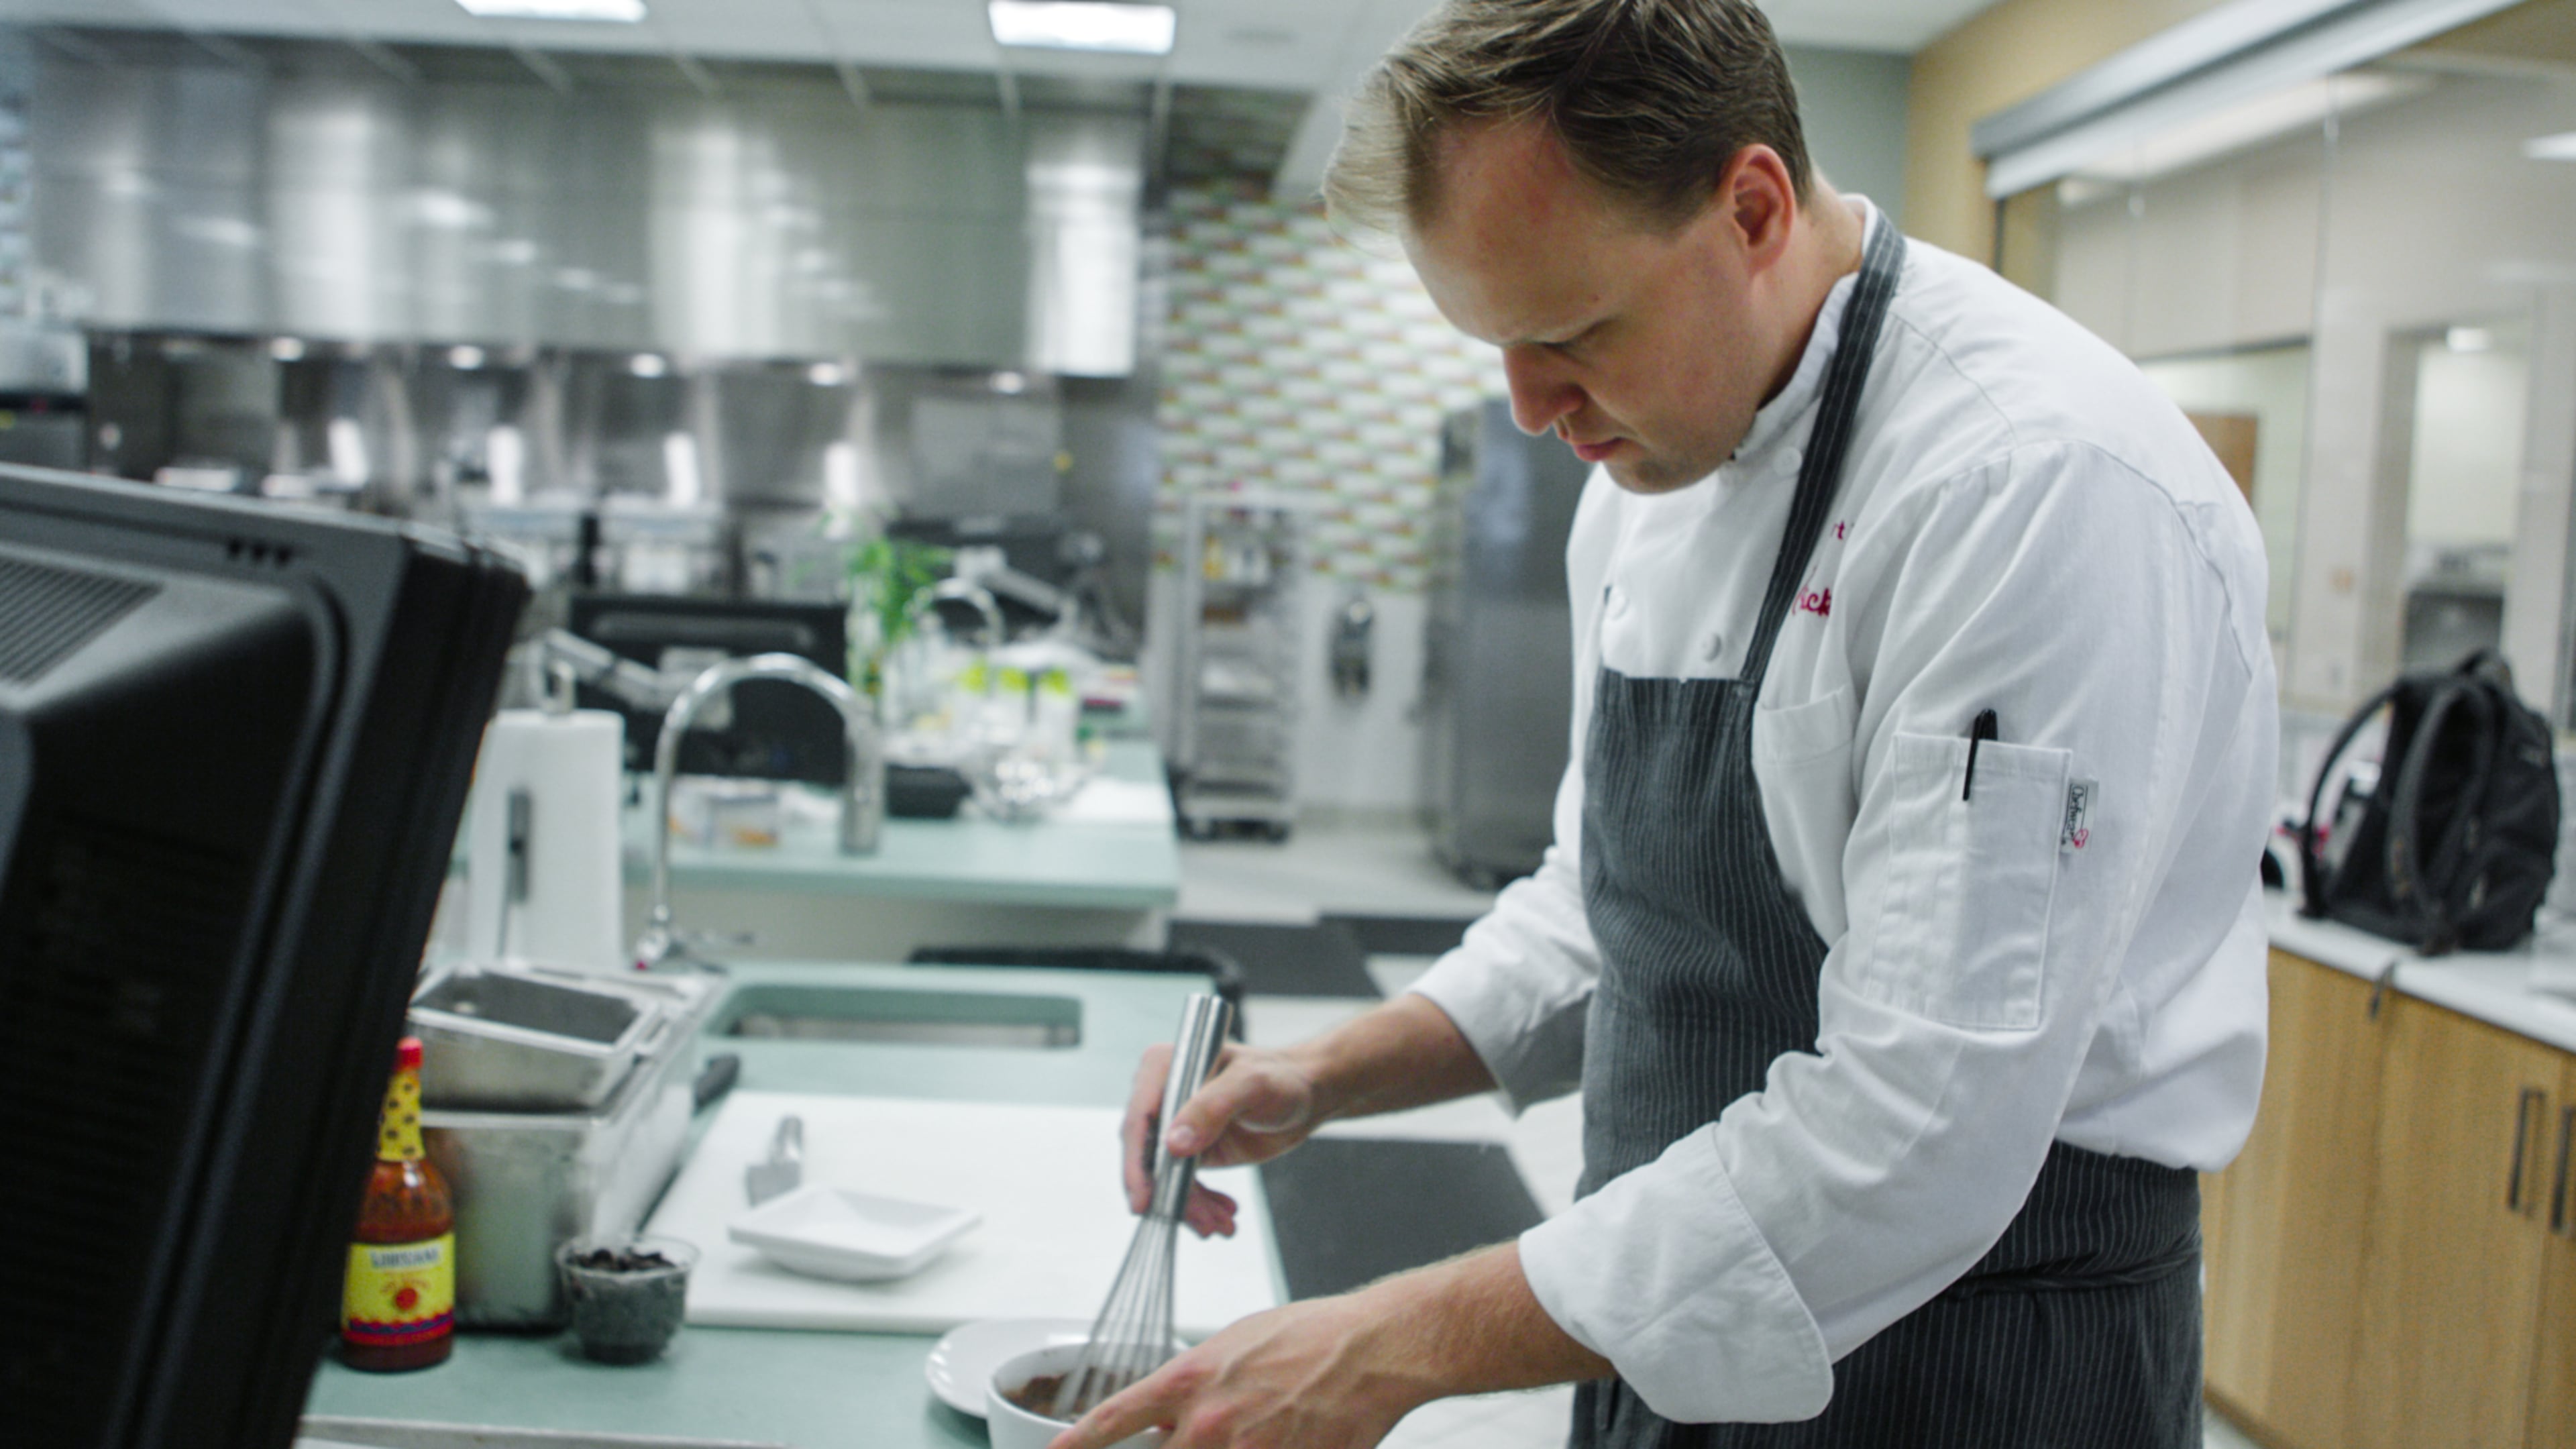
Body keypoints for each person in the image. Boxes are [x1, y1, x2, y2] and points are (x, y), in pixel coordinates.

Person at [1055, 1, 2275, 1445]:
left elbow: (1920, 1131)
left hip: (1972, 1363)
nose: (1527, 408)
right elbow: (1609, 907)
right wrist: (1325, 1072)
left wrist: (1394, 1341)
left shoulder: (2026, 486)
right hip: (1654, 1319)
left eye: (1570, 331)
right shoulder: (1651, 470)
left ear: (1752, 208)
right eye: (1494, 345)